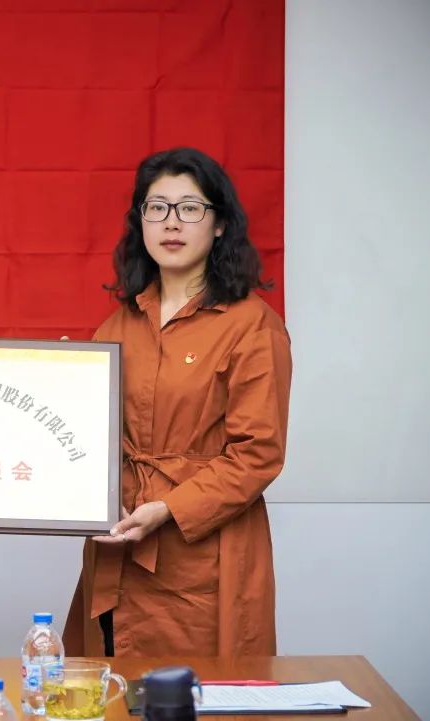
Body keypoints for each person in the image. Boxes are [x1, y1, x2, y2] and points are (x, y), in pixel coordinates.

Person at [63, 147, 292, 657]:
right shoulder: (118, 324)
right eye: (156, 207)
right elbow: (89, 440)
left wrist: (169, 508)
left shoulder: (252, 325)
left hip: (200, 556)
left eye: (190, 208)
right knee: (108, 685)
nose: (172, 222)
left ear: (219, 225)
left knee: (193, 691)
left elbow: (258, 454)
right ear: (140, 222)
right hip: (118, 544)